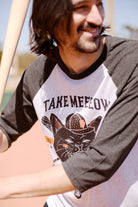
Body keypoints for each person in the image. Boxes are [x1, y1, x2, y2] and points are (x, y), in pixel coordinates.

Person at [0, 0, 137, 206]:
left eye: (98, 5)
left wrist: (6, 187)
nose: (97, 18)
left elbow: (99, 161)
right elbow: (7, 128)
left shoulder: (130, 62)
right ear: (50, 16)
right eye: (81, 7)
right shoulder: (39, 74)